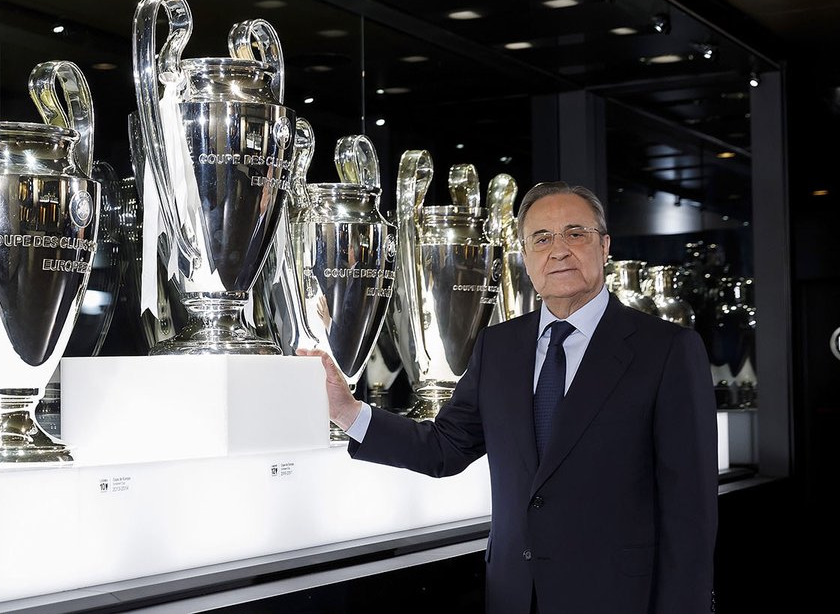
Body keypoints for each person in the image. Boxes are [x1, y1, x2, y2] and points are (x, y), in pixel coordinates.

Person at [302, 181, 717, 614]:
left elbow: (690, 511)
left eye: (575, 233)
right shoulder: (498, 347)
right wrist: (348, 412)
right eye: (542, 238)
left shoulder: (667, 350)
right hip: (515, 595)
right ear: (524, 254)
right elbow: (444, 448)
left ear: (604, 246)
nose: (558, 250)